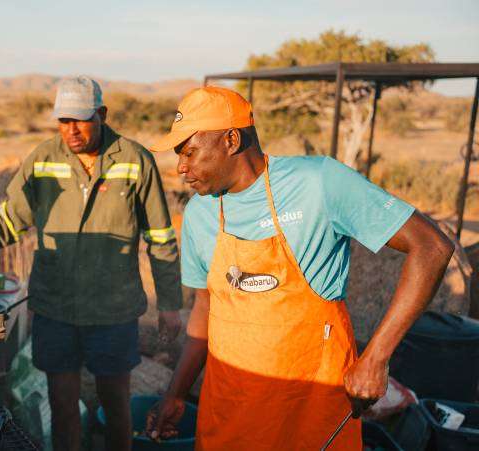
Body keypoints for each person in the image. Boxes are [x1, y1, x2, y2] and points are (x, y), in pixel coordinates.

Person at [144, 86, 455, 450]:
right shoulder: (200, 212)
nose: (181, 167)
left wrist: (375, 358)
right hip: (230, 410)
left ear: (231, 140)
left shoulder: (319, 182)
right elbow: (205, 307)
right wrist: (176, 394)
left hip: (308, 408)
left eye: (189, 152)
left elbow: (431, 246)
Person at [0, 75, 183, 451]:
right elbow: (8, 219)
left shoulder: (136, 160)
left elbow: (160, 237)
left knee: (115, 402)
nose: (71, 130)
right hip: (56, 306)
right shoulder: (43, 160)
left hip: (113, 308)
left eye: (80, 119)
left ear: (102, 114)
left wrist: (170, 304)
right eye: (63, 120)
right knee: (62, 404)